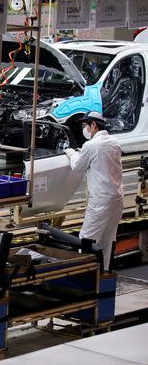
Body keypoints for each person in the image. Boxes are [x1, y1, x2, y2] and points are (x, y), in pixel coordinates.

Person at [64, 111, 124, 271]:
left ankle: (84, 275)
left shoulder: (91, 145)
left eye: (85, 125)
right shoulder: (114, 142)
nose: (85, 129)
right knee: (107, 240)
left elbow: (77, 167)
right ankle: (103, 274)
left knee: (87, 239)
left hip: (100, 201)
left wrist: (71, 153)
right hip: (117, 199)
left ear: (94, 125)